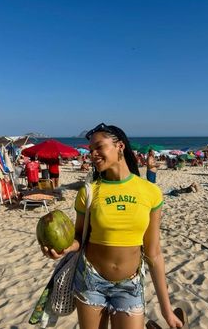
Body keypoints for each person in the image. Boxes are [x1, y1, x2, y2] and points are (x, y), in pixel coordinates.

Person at [41, 123, 183, 329]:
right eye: (90, 150)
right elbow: (79, 239)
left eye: (99, 147)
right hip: (91, 282)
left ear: (120, 147)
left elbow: (154, 253)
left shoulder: (150, 192)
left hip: (130, 286)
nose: (93, 154)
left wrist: (166, 309)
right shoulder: (89, 192)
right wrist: (64, 248)